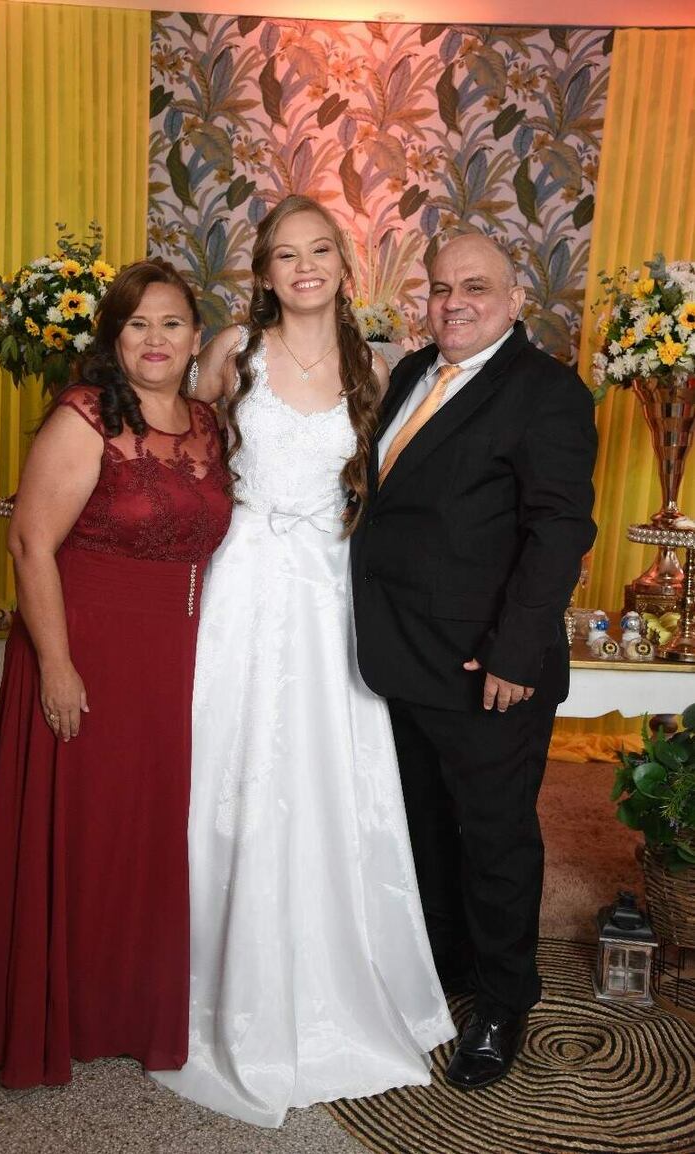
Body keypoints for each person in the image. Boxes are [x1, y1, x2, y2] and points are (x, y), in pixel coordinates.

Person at [151, 195, 455, 1127]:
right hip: (244, 584)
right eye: (286, 255)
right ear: (266, 271)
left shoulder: (379, 366)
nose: (305, 268)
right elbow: (180, 456)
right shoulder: (232, 351)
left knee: (328, 776)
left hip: (329, 592)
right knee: (232, 768)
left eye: (320, 250)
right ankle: (205, 985)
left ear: (343, 261)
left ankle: (340, 974)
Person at [0, 259, 232, 1088]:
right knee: (85, 831)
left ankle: (130, 1007)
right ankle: (59, 1010)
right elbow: (30, 543)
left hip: (180, 654)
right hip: (89, 651)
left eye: (172, 323)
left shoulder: (210, 424)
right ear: (115, 338)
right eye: (138, 324)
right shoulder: (84, 416)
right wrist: (57, 669)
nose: (155, 339)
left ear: (195, 339)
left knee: (150, 836)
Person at [351, 233, 597, 1091]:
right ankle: (448, 968)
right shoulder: (415, 369)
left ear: (516, 298)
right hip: (401, 659)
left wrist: (514, 653)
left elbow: (560, 529)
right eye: (440, 288)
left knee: (494, 840)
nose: (453, 303)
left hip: (488, 669)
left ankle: (503, 1002)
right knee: (424, 828)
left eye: (475, 288)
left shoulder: (548, 393)